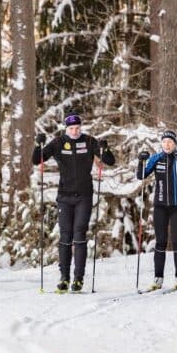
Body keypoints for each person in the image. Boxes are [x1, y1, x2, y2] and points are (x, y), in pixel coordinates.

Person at [32, 113, 115, 293]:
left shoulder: (90, 141)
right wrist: (37, 145)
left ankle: (78, 278)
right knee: (65, 236)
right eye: (71, 128)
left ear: (81, 127)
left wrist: (105, 149)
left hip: (84, 196)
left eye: (77, 128)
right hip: (64, 196)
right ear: (66, 128)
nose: (75, 131)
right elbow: (36, 159)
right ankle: (64, 278)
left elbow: (110, 161)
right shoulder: (58, 143)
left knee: (79, 234)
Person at [136, 129, 177, 291]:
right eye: (164, 142)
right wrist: (140, 161)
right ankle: (158, 278)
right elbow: (141, 175)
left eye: (170, 142)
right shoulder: (156, 158)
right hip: (160, 206)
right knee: (161, 242)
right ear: (161, 144)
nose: (167, 144)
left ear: (175, 144)